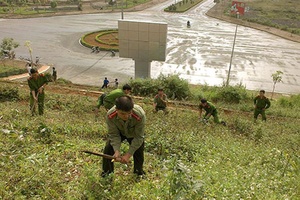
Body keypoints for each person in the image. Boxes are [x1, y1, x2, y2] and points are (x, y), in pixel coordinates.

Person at [101, 95, 146, 177]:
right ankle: (107, 174)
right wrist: (116, 151)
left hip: (133, 133)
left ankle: (138, 172)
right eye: (123, 114)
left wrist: (128, 155)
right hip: (119, 132)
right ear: (116, 110)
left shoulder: (140, 115)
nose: (126, 116)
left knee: (139, 149)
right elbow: (113, 134)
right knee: (108, 148)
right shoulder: (110, 115)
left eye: (129, 113)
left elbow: (139, 137)